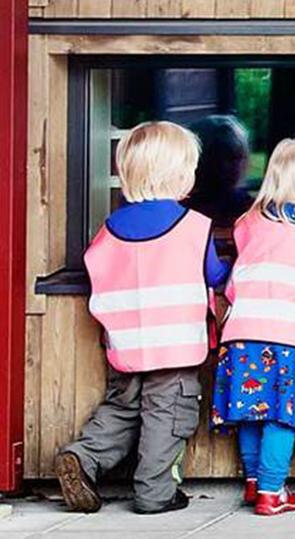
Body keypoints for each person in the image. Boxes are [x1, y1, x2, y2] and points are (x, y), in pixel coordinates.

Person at [55, 121, 229, 514]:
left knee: (122, 409)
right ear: (182, 174)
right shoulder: (194, 226)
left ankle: (83, 457)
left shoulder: (110, 228)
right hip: (175, 349)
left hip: (126, 347)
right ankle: (155, 493)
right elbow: (214, 275)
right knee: (167, 417)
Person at [212, 138, 295, 516]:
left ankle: (254, 484)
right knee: (280, 414)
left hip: (239, 329)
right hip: (290, 334)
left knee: (249, 408)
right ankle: (273, 492)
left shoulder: (250, 221)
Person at [186, 115, 254, 227]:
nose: (234, 167)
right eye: (226, 158)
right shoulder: (186, 212)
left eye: (238, 158)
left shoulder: (247, 208)